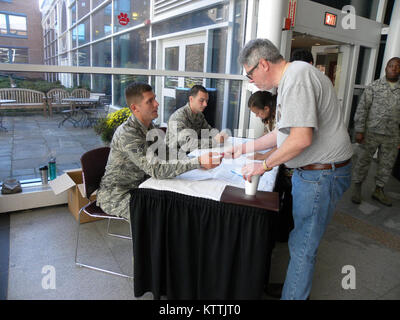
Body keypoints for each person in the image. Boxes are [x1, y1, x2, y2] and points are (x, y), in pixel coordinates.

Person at [224, 38, 353, 300]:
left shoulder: (297, 77)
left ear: (263, 64)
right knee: (300, 242)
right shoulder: (290, 80)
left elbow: (301, 139)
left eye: (250, 74)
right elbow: (282, 135)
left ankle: (294, 295)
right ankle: (295, 287)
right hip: (317, 172)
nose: (251, 81)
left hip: (321, 174)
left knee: (303, 245)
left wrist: (263, 165)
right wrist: (243, 149)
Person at [96, 83, 221, 221]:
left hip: (143, 185)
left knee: (182, 203)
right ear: (134, 108)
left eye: (154, 98)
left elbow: (166, 153)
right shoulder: (128, 134)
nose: (157, 104)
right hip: (118, 195)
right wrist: (196, 162)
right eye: (149, 101)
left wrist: (196, 162)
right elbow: (157, 169)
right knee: (164, 216)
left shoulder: (149, 127)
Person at [351, 57, 400, 206]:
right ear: (386, 68)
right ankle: (357, 188)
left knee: (386, 164)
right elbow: (362, 109)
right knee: (363, 161)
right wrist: (359, 130)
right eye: (391, 65)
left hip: (392, 135)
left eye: (397, 66)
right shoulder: (374, 86)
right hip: (371, 133)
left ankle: (379, 190)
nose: (394, 68)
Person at [166, 85, 227, 154]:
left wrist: (218, 135)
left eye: (206, 101)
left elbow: (208, 131)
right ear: (191, 99)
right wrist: (214, 141)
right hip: (174, 158)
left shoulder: (199, 115)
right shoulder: (178, 118)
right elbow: (187, 144)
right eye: (201, 100)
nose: (205, 104)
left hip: (191, 154)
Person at [247, 91, 277, 161]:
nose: (257, 116)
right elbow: (266, 134)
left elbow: (282, 144)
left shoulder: (279, 118)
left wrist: (263, 156)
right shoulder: (269, 118)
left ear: (266, 108)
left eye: (258, 113)